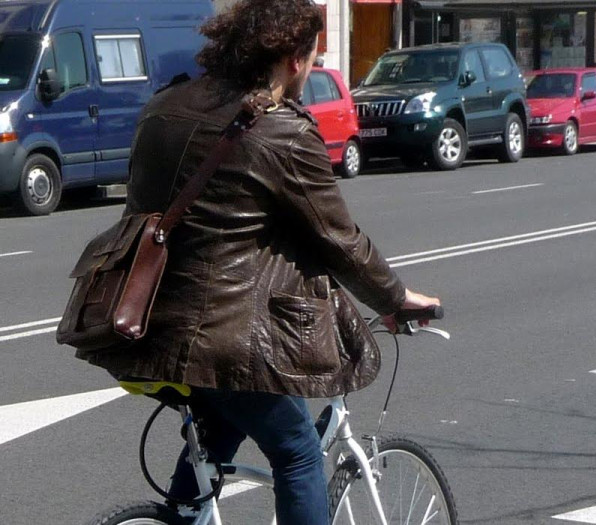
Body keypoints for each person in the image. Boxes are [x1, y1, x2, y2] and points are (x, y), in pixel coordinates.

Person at [73, 1, 439, 523]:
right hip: (222, 338)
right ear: (294, 60)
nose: (311, 69)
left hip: (143, 324)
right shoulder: (283, 131)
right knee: (298, 452)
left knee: (220, 429)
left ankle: (183, 517)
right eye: (311, 58)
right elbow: (339, 240)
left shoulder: (163, 105)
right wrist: (396, 298)